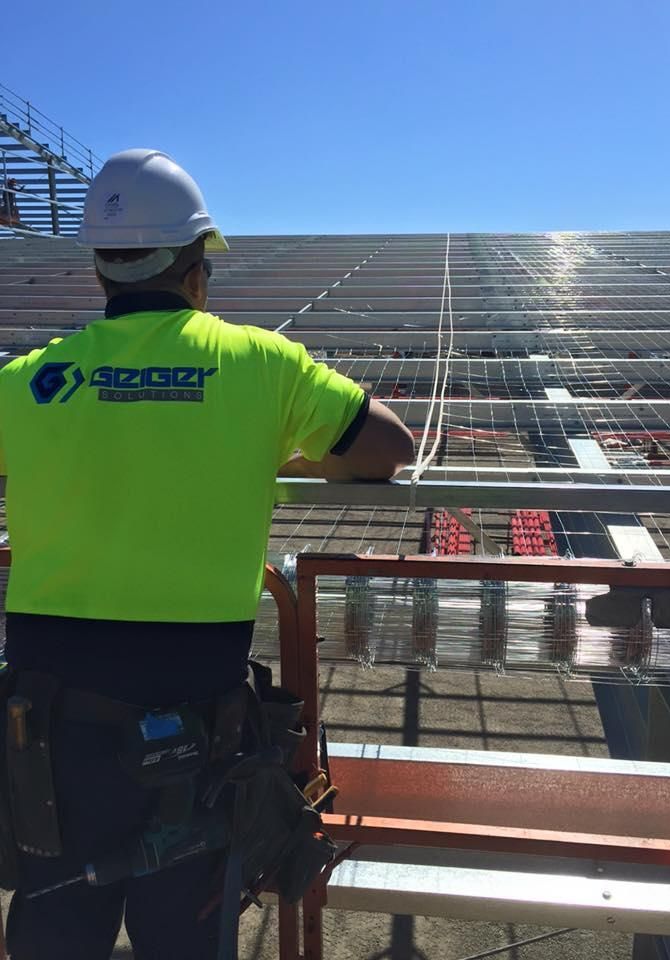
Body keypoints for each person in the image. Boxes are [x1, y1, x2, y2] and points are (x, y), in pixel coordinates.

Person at [0, 148, 414, 959]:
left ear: (101, 272)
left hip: (49, 742)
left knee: (53, 933)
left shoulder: (28, 382)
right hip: (193, 746)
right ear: (196, 270)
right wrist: (262, 454)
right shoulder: (259, 364)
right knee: (187, 939)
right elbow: (386, 448)